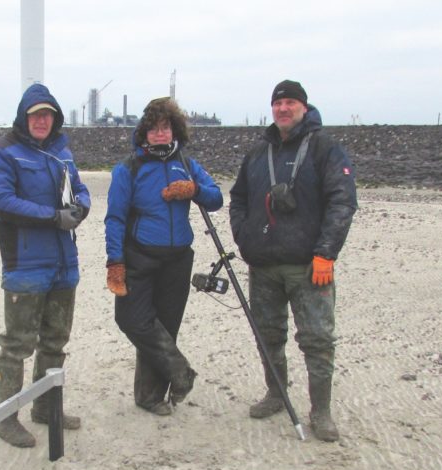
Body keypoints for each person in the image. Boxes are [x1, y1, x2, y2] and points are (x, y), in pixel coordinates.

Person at [228, 80, 358, 441]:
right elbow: (237, 199)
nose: (283, 109)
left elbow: (343, 202)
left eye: (290, 103)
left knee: (317, 339)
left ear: (303, 107)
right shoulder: (257, 153)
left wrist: (325, 254)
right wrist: (245, 237)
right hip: (264, 265)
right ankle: (276, 392)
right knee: (268, 335)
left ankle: (321, 412)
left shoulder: (325, 148)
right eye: (278, 103)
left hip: (308, 266)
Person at [0, 83, 91, 448]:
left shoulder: (62, 152)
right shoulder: (0, 152)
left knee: (55, 342)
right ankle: (5, 418)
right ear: (24, 117)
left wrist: (82, 207)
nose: (42, 120)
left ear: (55, 117)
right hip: (25, 266)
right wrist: (53, 217)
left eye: (48, 114)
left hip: (64, 264)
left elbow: (79, 187)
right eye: (36, 114)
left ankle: (45, 408)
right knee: (17, 345)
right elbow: (2, 203)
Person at [104, 97, 223, 415]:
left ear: (175, 131)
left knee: (164, 328)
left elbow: (216, 198)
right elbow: (115, 218)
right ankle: (181, 373)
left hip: (178, 259)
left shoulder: (186, 165)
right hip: (139, 256)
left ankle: (150, 397)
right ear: (144, 133)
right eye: (154, 129)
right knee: (131, 319)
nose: (160, 134)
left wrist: (194, 190)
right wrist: (114, 261)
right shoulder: (128, 169)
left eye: (165, 128)